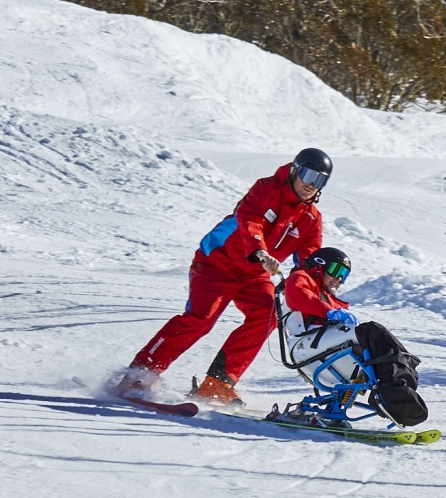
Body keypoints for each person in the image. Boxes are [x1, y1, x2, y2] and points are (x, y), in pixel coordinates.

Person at [115, 148, 333, 404]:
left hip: (254, 276)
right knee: (201, 319)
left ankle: (218, 382)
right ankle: (140, 374)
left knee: (268, 315)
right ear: (295, 170)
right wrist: (260, 251)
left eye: (319, 180)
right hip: (217, 264)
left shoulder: (311, 218)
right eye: (308, 175)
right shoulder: (267, 189)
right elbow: (249, 219)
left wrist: (318, 286)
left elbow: (309, 261)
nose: (311, 184)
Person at [283, 247, 429, 426]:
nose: (338, 279)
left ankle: (401, 392)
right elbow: (297, 295)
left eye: (343, 275)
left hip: (322, 348)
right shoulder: (301, 277)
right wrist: (331, 312)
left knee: (377, 347)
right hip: (306, 346)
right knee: (372, 332)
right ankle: (390, 393)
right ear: (319, 266)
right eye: (336, 271)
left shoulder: (329, 297)